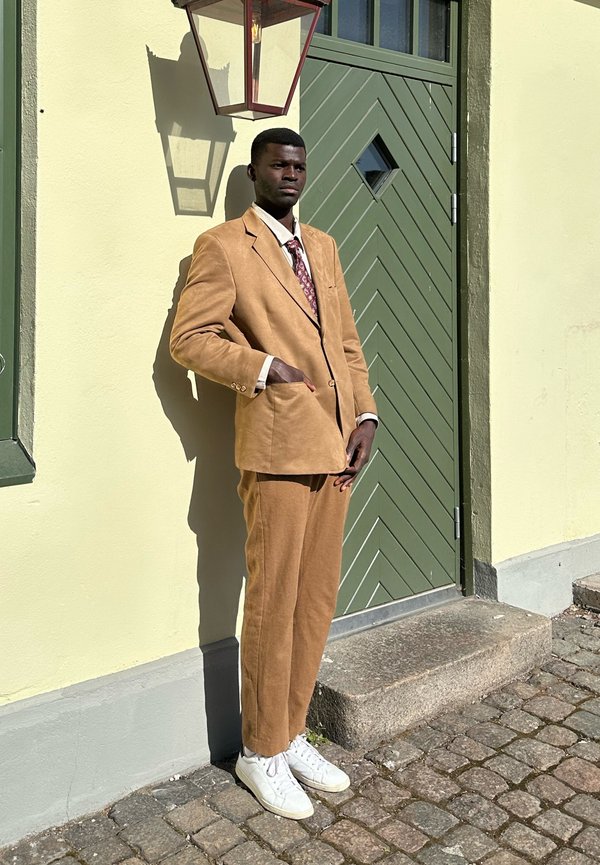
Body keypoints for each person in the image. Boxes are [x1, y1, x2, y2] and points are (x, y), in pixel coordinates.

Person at [170, 128, 377, 820]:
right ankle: (258, 750)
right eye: (278, 164)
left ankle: (290, 731)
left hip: (336, 447)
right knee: (272, 597)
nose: (290, 174)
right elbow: (189, 338)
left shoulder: (322, 245)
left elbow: (345, 341)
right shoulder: (226, 247)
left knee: (315, 598)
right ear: (255, 171)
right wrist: (264, 368)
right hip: (279, 445)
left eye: (299, 164)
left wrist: (366, 416)